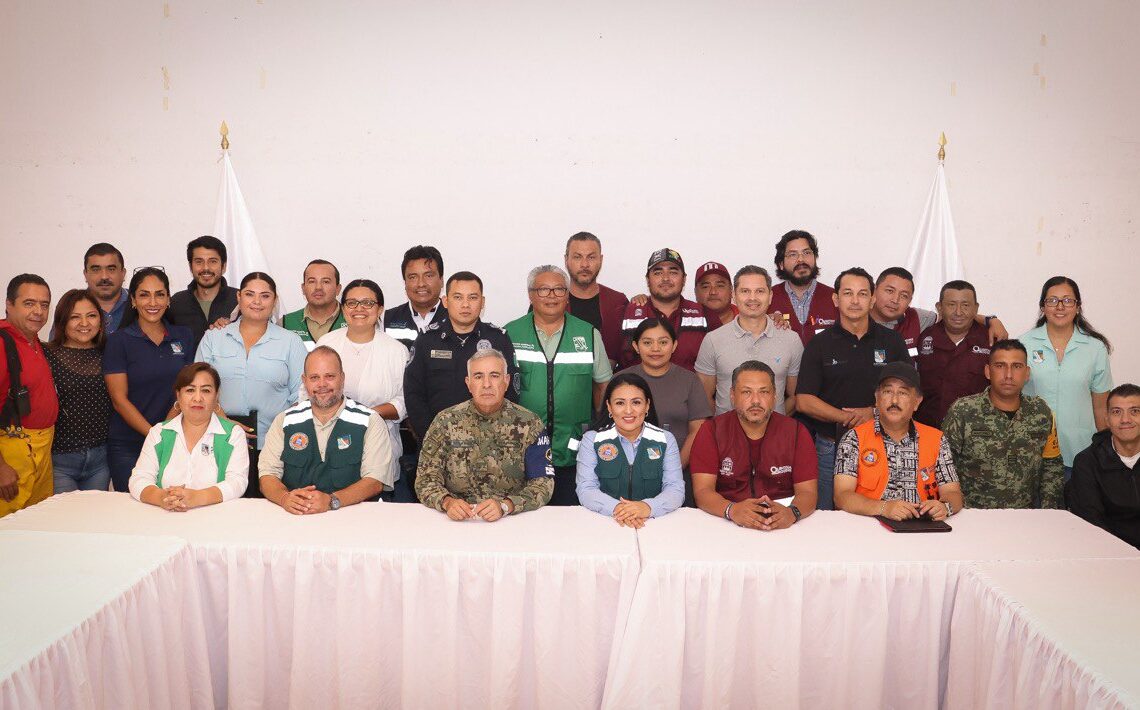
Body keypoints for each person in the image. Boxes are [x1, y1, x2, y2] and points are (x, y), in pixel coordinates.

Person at [796, 267, 911, 510]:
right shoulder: (819, 343)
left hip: (883, 445)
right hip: (830, 448)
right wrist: (846, 417)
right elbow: (804, 400)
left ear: (872, 299)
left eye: (862, 294)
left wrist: (873, 413)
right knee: (826, 517)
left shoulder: (893, 342)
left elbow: (910, 394)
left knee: (880, 513)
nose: (855, 300)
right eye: (848, 293)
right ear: (836, 299)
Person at [506, 265, 612, 506]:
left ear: (567, 295)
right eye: (543, 290)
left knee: (570, 518)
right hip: (521, 450)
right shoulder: (511, 333)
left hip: (574, 451)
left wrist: (597, 426)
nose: (552, 296)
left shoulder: (588, 334)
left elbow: (603, 386)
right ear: (531, 295)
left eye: (559, 289)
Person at [196, 272, 307, 497]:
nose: (257, 301)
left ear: (274, 301)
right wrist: (223, 420)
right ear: (239, 297)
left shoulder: (291, 342)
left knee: (267, 509)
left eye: (265, 296)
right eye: (249, 294)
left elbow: (302, 394)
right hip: (218, 440)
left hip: (273, 446)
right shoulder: (213, 338)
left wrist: (280, 431)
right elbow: (198, 387)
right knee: (218, 505)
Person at [416, 349, 554, 519]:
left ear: (506, 381)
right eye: (478, 376)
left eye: (494, 376)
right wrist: (447, 502)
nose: (486, 384)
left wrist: (507, 505)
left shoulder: (529, 423)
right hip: (457, 518)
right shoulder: (445, 421)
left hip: (511, 519)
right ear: (468, 383)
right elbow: (425, 479)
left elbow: (543, 484)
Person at [259, 346, 390, 512]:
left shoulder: (370, 421)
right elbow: (267, 475)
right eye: (314, 377)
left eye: (329, 376)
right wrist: (285, 498)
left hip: (351, 518)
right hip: (295, 517)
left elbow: (375, 481)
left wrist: (331, 501)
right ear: (304, 380)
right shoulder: (285, 421)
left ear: (342, 378)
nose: (322, 384)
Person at [689, 361, 818, 530]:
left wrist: (792, 513)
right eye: (746, 392)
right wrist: (732, 510)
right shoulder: (711, 431)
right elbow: (702, 491)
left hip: (782, 523)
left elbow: (808, 492)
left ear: (775, 396)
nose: (756, 401)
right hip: (726, 520)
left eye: (764, 392)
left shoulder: (796, 432)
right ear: (732, 395)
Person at [315, 279, 409, 500]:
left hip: (378, 444)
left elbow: (404, 400)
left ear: (380, 309)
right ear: (343, 308)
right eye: (352, 303)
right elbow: (308, 390)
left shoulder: (396, 350)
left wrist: (366, 416)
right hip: (327, 441)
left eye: (367, 303)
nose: (359, 309)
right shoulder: (327, 343)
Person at [941, 340, 1064, 509]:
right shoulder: (963, 411)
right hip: (972, 515)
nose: (1008, 375)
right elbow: (944, 466)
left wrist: (1048, 510)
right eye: (1000, 366)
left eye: (1017, 366)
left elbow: (1052, 464)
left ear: (1027, 373)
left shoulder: (1041, 412)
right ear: (987, 371)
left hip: (1024, 516)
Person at [104, 268, 195, 493]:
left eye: (159, 294)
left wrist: (165, 433)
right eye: (144, 295)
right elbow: (119, 399)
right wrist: (154, 435)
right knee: (132, 507)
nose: (153, 302)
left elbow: (188, 389)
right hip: (128, 445)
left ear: (168, 299)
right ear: (133, 300)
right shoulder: (118, 341)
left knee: (171, 505)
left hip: (175, 440)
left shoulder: (184, 336)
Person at [834, 362, 964, 520]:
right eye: (887, 391)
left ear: (917, 402)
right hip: (869, 525)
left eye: (903, 393)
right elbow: (841, 496)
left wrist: (944, 506)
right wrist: (883, 508)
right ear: (877, 398)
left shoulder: (936, 439)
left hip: (922, 527)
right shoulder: (853, 438)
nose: (894, 400)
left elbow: (953, 493)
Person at [404, 271, 518, 441]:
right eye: (458, 297)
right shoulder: (427, 340)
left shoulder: (498, 339)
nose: (465, 305)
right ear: (445, 301)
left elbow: (511, 393)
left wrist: (491, 437)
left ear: (482, 302)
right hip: (437, 442)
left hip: (489, 442)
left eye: (473, 297)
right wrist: (433, 437)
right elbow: (413, 394)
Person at [1019, 276, 1113, 478]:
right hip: (1033, 451)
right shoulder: (1024, 344)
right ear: (1042, 307)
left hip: (1081, 452)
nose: (1060, 306)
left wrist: (1106, 452)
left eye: (1068, 300)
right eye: (1052, 300)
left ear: (1078, 307)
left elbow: (1100, 408)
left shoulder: (1095, 348)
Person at [128, 363, 249, 508]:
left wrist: (197, 498)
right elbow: (139, 479)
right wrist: (162, 498)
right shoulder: (159, 432)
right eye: (190, 390)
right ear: (178, 395)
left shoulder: (233, 434)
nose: (198, 398)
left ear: (217, 396)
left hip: (215, 517)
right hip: (165, 516)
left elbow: (237, 482)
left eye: (206, 390)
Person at [576, 372, 685, 526]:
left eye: (636, 402)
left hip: (654, 522)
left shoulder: (665, 439)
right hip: (606, 521)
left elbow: (675, 488)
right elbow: (586, 489)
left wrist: (647, 507)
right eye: (620, 403)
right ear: (609, 406)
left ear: (647, 405)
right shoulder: (592, 439)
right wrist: (618, 509)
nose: (628, 411)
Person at [696, 265, 803, 418]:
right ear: (734, 295)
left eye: (760, 291)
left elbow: (795, 396)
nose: (752, 298)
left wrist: (771, 422)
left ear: (770, 296)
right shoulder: (713, 340)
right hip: (726, 431)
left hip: (775, 431)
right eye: (745, 291)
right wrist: (722, 425)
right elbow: (704, 397)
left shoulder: (791, 340)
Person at [0, 275, 58, 517]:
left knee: (37, 522)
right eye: (29, 303)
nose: (38, 312)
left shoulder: (34, 342)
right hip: (12, 453)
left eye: (44, 305)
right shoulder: (2, 343)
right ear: (9, 304)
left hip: (41, 450)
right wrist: (1, 467)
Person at [44, 289, 112, 493]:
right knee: (65, 514)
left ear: (101, 321)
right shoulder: (46, 354)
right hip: (60, 459)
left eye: (91, 315)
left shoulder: (111, 353)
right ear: (62, 321)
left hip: (101, 459)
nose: (84, 323)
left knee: (94, 514)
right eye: (75, 317)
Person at [620, 318, 710, 467]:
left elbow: (697, 430)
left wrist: (675, 468)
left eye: (663, 342)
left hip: (679, 468)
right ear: (636, 346)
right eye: (647, 343)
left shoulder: (690, 380)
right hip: (627, 469)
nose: (656, 348)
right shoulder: (620, 380)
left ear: (674, 345)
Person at [871, 267, 1006, 357]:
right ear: (874, 290)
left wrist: (991, 320)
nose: (895, 300)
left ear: (910, 300)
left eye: (904, 295)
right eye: (889, 291)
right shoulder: (860, 318)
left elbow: (953, 315)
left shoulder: (918, 318)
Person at [1067, 384, 1140, 548]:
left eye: (1135, 411)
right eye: (1117, 412)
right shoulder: (1087, 462)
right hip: (1109, 552)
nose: (1125, 419)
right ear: (1107, 419)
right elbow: (1091, 524)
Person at [914, 280, 992, 426]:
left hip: (977, 430)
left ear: (976, 308)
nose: (958, 312)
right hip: (929, 428)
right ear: (939, 307)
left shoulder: (991, 340)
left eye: (965, 305)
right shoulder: (924, 337)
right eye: (951, 304)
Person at [619, 248, 711, 371]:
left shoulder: (703, 314)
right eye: (658, 273)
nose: (666, 278)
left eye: (673, 272)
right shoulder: (627, 312)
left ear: (684, 279)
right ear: (648, 280)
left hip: (689, 383)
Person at [564, 232, 629, 366]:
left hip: (611, 378)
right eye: (577, 257)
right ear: (566, 260)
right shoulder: (551, 302)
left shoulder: (618, 302)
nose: (584, 264)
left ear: (601, 260)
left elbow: (631, 351)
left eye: (591, 257)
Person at [767, 230, 838, 346]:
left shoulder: (835, 298)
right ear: (781, 264)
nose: (801, 259)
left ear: (815, 258)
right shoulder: (767, 298)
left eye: (806, 253)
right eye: (793, 254)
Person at [168, 235, 240, 348]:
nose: (206, 268)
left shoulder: (240, 300)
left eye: (213, 261)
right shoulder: (177, 303)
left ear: (224, 266)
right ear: (190, 267)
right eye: (199, 261)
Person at [384, 245, 448, 349]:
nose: (421, 284)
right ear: (405, 283)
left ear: (441, 280)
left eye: (428, 276)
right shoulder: (386, 319)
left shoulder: (456, 319)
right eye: (413, 277)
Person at [280, 259, 346, 350]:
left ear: (338, 289)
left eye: (326, 281)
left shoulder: (353, 320)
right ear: (303, 288)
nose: (318, 287)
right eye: (312, 281)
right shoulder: (285, 324)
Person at [82, 242, 129, 332]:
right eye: (96, 270)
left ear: (123, 273)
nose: (104, 277)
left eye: (111, 269)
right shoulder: (70, 307)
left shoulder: (140, 303)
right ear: (85, 274)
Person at [694, 261, 737, 327]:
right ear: (696, 292)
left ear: (731, 290)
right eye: (706, 287)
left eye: (720, 286)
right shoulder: (682, 323)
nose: (713, 292)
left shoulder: (748, 319)